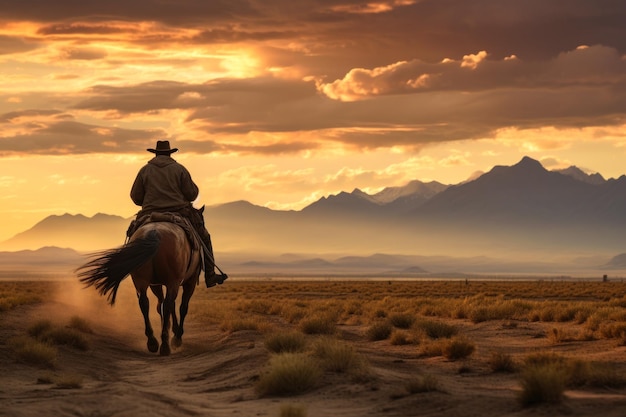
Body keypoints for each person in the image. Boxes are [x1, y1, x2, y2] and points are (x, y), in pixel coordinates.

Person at [130, 140, 227, 288]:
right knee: (205, 237)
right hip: (179, 211)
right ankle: (210, 275)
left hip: (150, 213)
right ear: (170, 153)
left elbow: (136, 197)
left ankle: (130, 268)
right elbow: (192, 195)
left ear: (155, 153)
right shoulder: (179, 169)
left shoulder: (144, 170)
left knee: (132, 235)